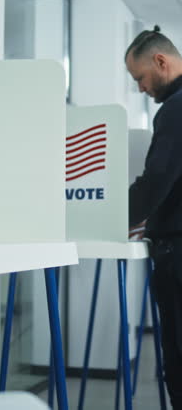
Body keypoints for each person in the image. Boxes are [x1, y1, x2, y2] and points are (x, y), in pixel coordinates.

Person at [125, 25, 182, 410]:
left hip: (178, 255)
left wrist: (111, 215)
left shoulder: (176, 109)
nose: (141, 89)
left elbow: (157, 179)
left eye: (140, 78)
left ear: (161, 62)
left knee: (178, 360)